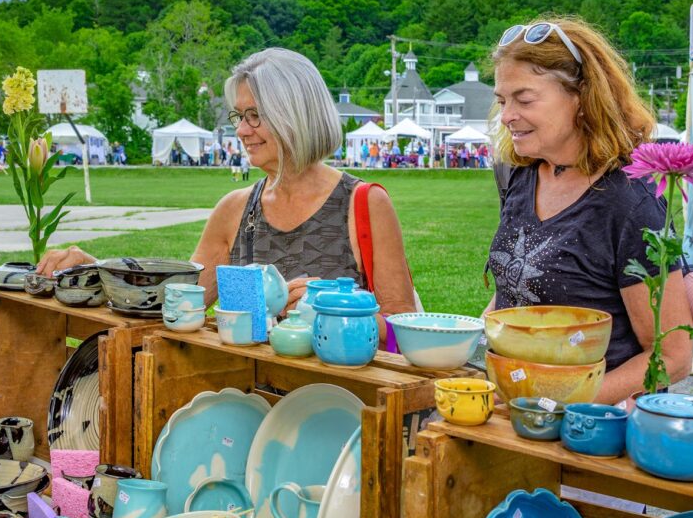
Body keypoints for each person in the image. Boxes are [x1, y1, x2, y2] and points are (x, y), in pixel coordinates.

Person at [37, 48, 416, 338]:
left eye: (255, 115)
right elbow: (176, 306)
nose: (242, 130)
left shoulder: (364, 204)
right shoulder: (234, 210)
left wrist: (336, 311)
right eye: (239, 116)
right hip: (247, 407)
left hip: (341, 410)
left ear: (295, 113)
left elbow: (404, 328)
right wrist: (100, 270)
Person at [487, 16, 692, 404]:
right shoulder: (520, 177)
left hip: (588, 433)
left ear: (582, 98)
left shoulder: (631, 201)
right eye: (502, 101)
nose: (506, 115)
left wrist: (560, 401)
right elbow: (514, 293)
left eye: (524, 99)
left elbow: (673, 355)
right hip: (515, 415)